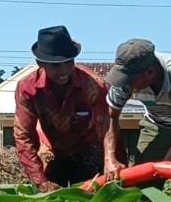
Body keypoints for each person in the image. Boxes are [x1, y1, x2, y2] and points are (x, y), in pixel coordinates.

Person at [13, 26, 114, 191]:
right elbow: (24, 136)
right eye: (56, 65)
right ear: (41, 63)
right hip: (52, 151)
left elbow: (107, 127)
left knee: (91, 200)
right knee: (50, 200)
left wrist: (110, 162)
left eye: (69, 63)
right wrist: (40, 181)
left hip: (88, 149)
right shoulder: (27, 89)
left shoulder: (94, 85)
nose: (64, 71)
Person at [103, 38, 171, 187]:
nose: (125, 84)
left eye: (129, 80)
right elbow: (112, 117)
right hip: (157, 121)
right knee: (142, 180)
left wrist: (166, 164)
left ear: (150, 72)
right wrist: (109, 158)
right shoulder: (124, 81)